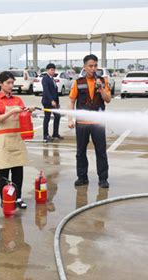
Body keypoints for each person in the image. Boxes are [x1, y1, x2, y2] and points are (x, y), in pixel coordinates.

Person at [0, 71, 35, 209]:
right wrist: (11, 111)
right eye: (8, 83)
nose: (11, 85)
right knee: (3, 172)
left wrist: (29, 110)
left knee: (18, 171)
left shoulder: (17, 99)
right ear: (1, 84)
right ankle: (5, 200)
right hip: (3, 139)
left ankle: (18, 197)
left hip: (17, 138)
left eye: (12, 83)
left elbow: (23, 115)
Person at [68, 54, 111, 189]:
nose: (93, 69)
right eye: (90, 66)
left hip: (98, 123)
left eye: (95, 66)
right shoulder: (78, 82)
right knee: (80, 152)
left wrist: (101, 89)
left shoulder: (103, 81)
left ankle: (103, 178)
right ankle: (82, 177)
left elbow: (108, 99)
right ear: (84, 67)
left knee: (101, 151)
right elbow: (71, 100)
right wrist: (70, 118)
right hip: (82, 124)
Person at [41, 63, 62, 142]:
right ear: (47, 70)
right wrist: (51, 100)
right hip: (47, 102)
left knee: (57, 116)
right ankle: (45, 135)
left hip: (54, 102)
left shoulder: (52, 79)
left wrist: (57, 102)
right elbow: (46, 91)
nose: (53, 71)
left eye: (54, 70)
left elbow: (55, 92)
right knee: (47, 118)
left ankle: (55, 133)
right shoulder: (45, 79)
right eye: (51, 70)